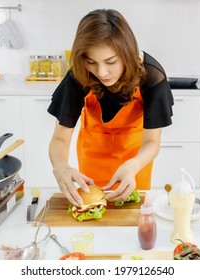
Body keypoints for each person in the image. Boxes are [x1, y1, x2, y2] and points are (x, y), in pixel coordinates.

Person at [48, 9, 174, 207]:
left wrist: (133, 165)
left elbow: (152, 142)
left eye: (111, 62)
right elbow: (59, 138)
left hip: (135, 166)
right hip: (91, 163)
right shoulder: (80, 76)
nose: (102, 72)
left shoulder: (152, 76)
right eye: (92, 62)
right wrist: (61, 167)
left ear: (128, 53)